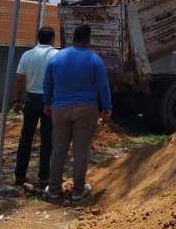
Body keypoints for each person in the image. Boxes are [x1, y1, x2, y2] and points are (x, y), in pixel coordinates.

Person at [44, 24, 112, 201]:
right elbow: (103, 86)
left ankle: (53, 189)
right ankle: (78, 190)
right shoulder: (94, 59)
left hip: (59, 108)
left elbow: (48, 82)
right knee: (80, 150)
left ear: (73, 37)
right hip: (86, 109)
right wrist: (107, 108)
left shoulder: (57, 58)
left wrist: (47, 102)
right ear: (89, 39)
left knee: (58, 149)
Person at [13, 27, 58, 188]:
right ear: (53, 38)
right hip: (49, 102)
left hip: (31, 100)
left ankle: (20, 174)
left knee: (25, 138)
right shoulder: (56, 55)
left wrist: (17, 100)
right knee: (47, 139)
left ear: (38, 38)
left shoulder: (27, 55)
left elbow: (19, 79)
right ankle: (44, 175)